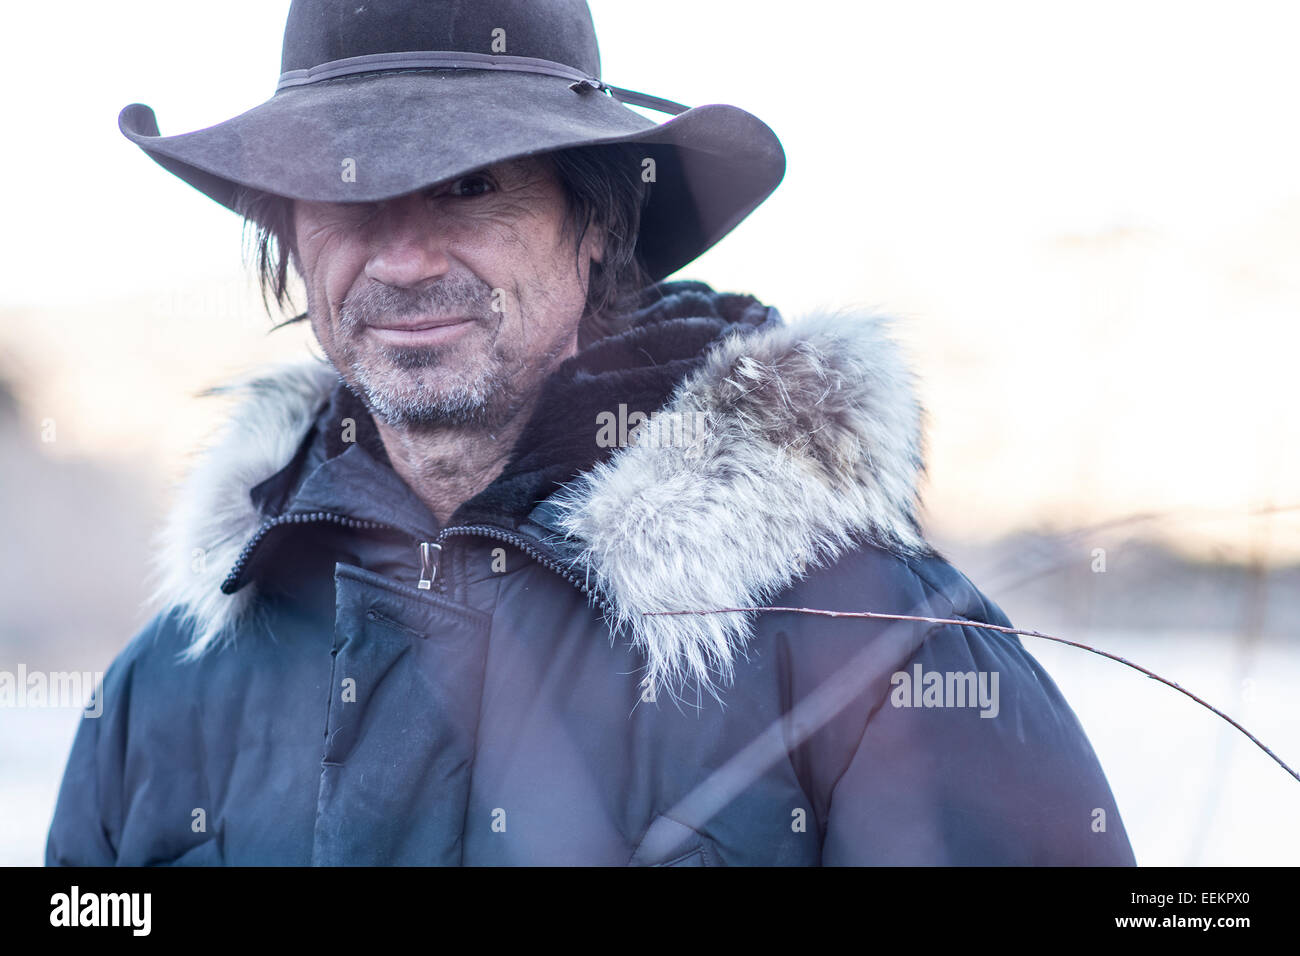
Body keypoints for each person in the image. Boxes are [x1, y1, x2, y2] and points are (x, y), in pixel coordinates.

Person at [46, 0, 1135, 865]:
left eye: (471, 186)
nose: (406, 257)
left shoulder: (869, 646)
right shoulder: (167, 689)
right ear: (286, 231)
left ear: (599, 222)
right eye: (347, 196)